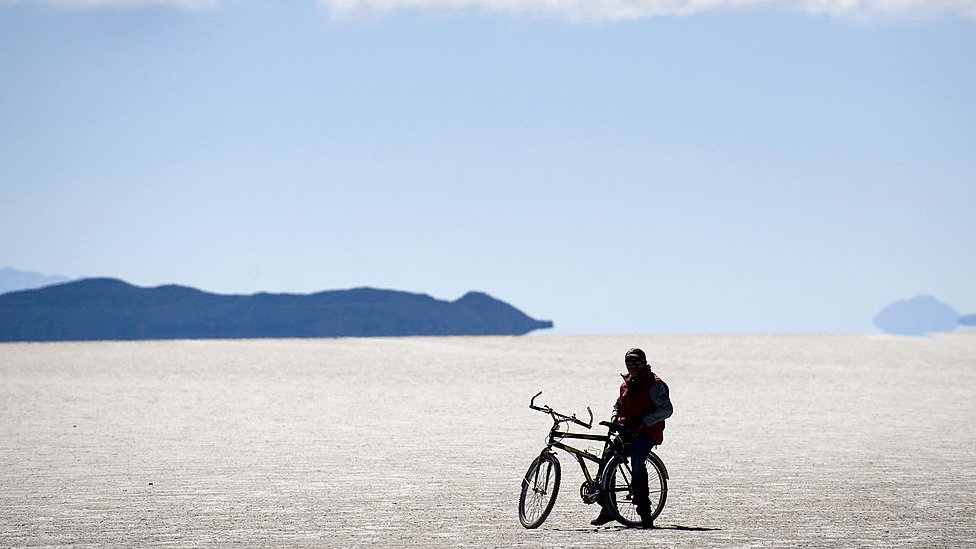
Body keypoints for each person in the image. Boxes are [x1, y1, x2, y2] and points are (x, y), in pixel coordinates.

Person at [591, 347, 673, 528]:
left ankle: (645, 513)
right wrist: (614, 417)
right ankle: (608, 509)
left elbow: (667, 409)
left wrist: (644, 422)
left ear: (644, 362)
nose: (633, 366)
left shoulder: (655, 384)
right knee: (606, 463)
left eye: (637, 362)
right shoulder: (626, 384)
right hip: (626, 431)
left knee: (637, 461)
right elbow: (618, 403)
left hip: (647, 433)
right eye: (629, 362)